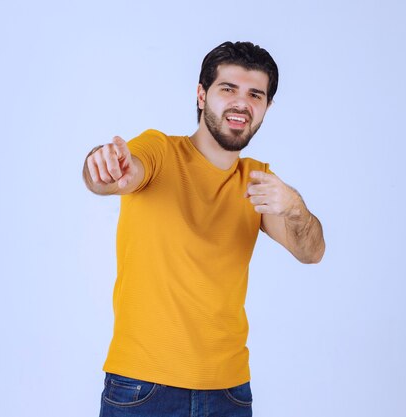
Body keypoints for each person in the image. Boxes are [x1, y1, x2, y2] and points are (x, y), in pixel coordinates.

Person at [83, 41, 325, 417]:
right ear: (201, 94)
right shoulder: (159, 151)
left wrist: (294, 206)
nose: (241, 103)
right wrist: (102, 165)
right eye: (228, 89)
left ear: (266, 107)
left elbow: (312, 252)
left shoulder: (257, 181)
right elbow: (116, 174)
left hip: (229, 393)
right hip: (142, 388)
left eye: (255, 94)